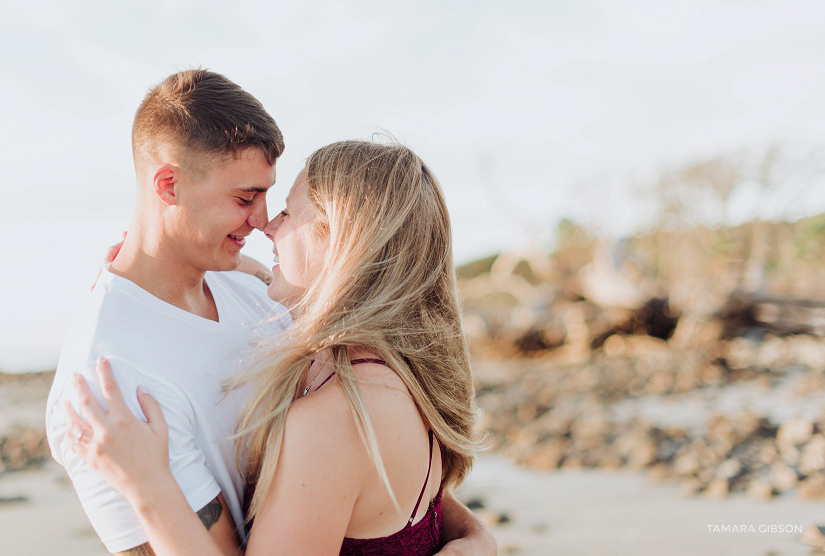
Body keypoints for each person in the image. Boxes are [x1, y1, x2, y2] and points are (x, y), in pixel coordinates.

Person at [46, 71, 492, 555]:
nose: (263, 221)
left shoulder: (257, 293)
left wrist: (474, 537)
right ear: (169, 185)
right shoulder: (109, 378)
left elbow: (362, 463)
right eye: (245, 198)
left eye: (271, 199)